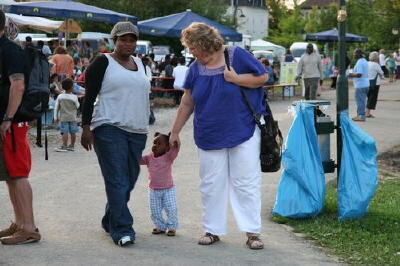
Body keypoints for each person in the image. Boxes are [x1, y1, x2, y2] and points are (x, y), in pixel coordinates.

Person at [169, 22, 267, 250]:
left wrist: (236, 79)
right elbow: (187, 102)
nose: (191, 52)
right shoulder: (195, 68)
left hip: (242, 129)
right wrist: (174, 131)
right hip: (209, 133)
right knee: (211, 183)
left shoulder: (236, 55)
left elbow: (262, 77)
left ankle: (252, 232)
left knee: (246, 182)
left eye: (192, 47)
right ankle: (212, 230)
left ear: (204, 43)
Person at [80, 21, 150, 247]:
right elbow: (89, 97)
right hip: (109, 127)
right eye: (123, 39)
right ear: (114, 40)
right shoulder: (102, 62)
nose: (128, 44)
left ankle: (110, 218)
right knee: (117, 180)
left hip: (137, 130)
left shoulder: (141, 64)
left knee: (129, 179)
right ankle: (122, 229)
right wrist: (85, 127)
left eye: (132, 40)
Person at [0, 9, 41, 245]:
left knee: (17, 174)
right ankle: (20, 223)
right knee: (10, 174)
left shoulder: (10, 50)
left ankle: (29, 227)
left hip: (12, 122)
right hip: (10, 121)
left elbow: (18, 86)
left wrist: (7, 117)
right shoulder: (6, 48)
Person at [140, 132, 179, 237]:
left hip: (168, 189)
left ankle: (172, 226)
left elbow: (176, 148)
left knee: (171, 208)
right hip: (153, 190)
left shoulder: (169, 157)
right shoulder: (149, 157)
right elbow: (137, 160)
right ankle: (160, 226)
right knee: (155, 210)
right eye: (154, 143)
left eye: (159, 144)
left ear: (167, 148)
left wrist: (175, 138)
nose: (155, 146)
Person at [54, 78, 80, 152]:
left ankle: (64, 145)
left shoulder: (60, 96)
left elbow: (56, 108)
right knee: (73, 132)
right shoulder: (74, 97)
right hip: (72, 117)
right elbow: (78, 106)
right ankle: (72, 146)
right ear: (72, 87)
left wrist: (55, 117)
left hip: (63, 117)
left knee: (64, 132)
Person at [348, 48, 370, 122]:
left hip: (360, 85)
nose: (353, 55)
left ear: (358, 54)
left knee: (360, 101)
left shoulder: (360, 62)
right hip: (366, 84)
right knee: (362, 100)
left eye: (355, 53)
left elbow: (359, 74)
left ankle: (361, 116)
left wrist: (349, 74)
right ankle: (360, 115)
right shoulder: (364, 61)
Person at [366, 51, 384, 118]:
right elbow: (381, 73)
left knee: (368, 97)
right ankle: (367, 113)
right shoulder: (376, 65)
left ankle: (365, 112)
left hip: (366, 82)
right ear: (376, 58)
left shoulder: (366, 63)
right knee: (372, 98)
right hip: (375, 83)